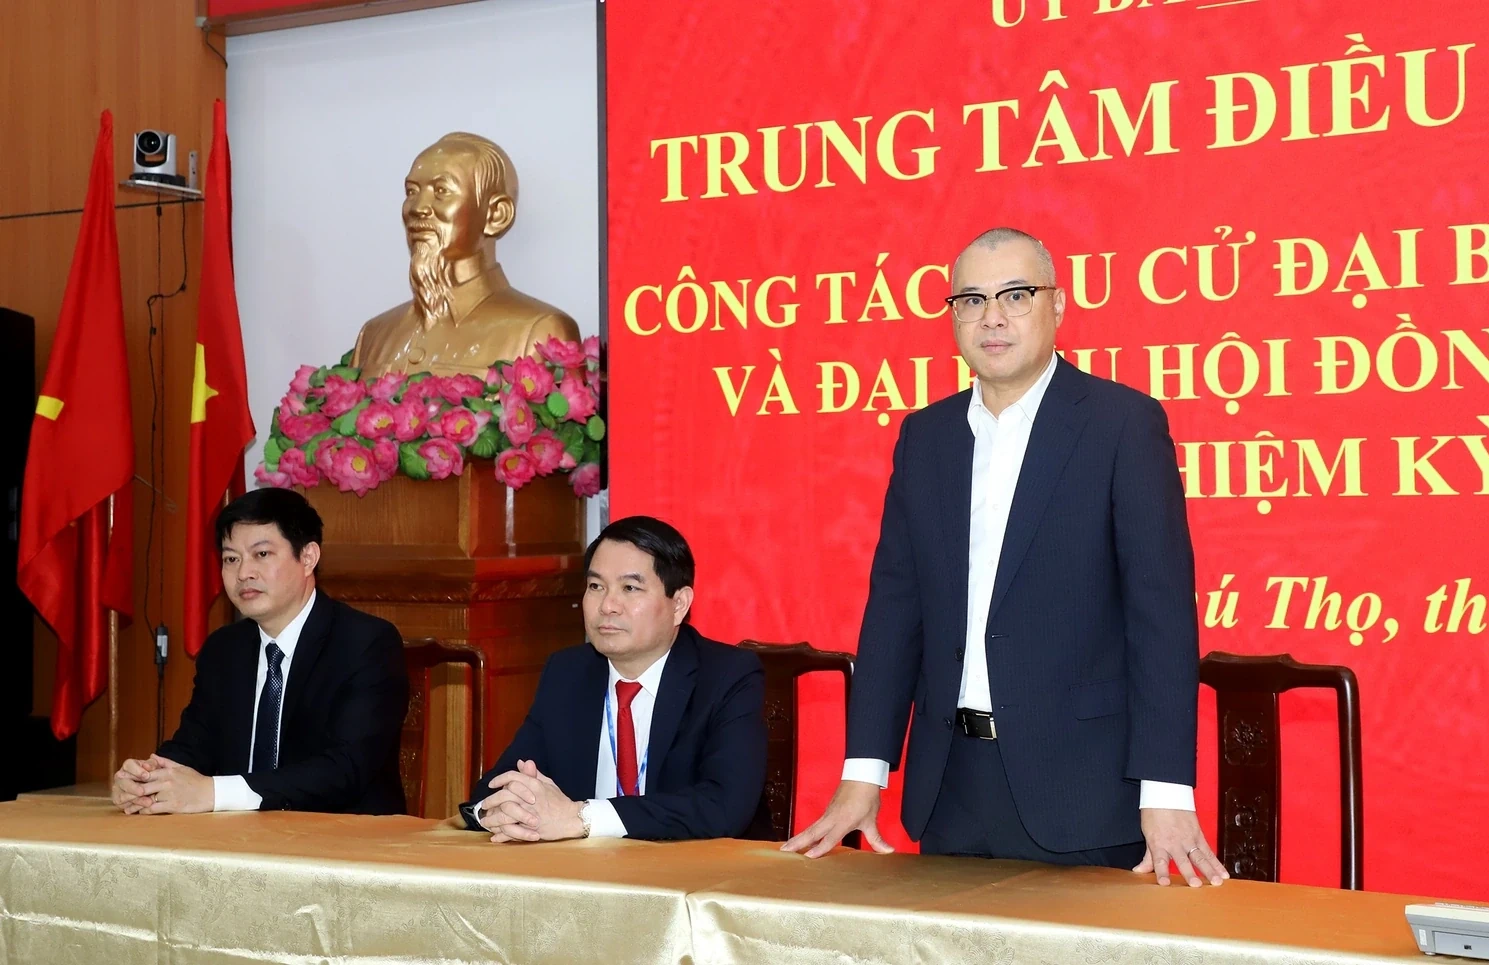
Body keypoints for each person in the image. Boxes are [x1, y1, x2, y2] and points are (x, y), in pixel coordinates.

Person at [785, 227, 1228, 887]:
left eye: (1015, 295)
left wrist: (1166, 790)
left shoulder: (1121, 425)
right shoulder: (925, 436)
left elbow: (1160, 616)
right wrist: (863, 772)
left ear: (1058, 305)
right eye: (971, 300)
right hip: (950, 788)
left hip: (1081, 790)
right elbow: (896, 612)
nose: (992, 317)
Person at [460, 516, 766, 842]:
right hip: (586, 869)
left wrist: (582, 818)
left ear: (678, 604)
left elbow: (723, 807)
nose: (607, 606)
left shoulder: (727, 675)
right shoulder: (568, 673)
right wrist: (499, 811)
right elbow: (498, 784)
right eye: (596, 586)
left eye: (629, 588)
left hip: (695, 867)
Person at [110, 488, 408, 815]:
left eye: (261, 554)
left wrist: (214, 792)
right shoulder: (224, 649)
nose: (243, 573)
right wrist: (147, 780)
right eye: (231, 559)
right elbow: (194, 746)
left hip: (343, 835)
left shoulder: (365, 643)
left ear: (308, 558)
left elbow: (345, 769)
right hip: (238, 836)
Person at [350, 131, 580, 377]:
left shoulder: (541, 332)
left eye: (441, 190)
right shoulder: (374, 335)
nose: (417, 208)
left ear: (496, 215)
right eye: (411, 191)